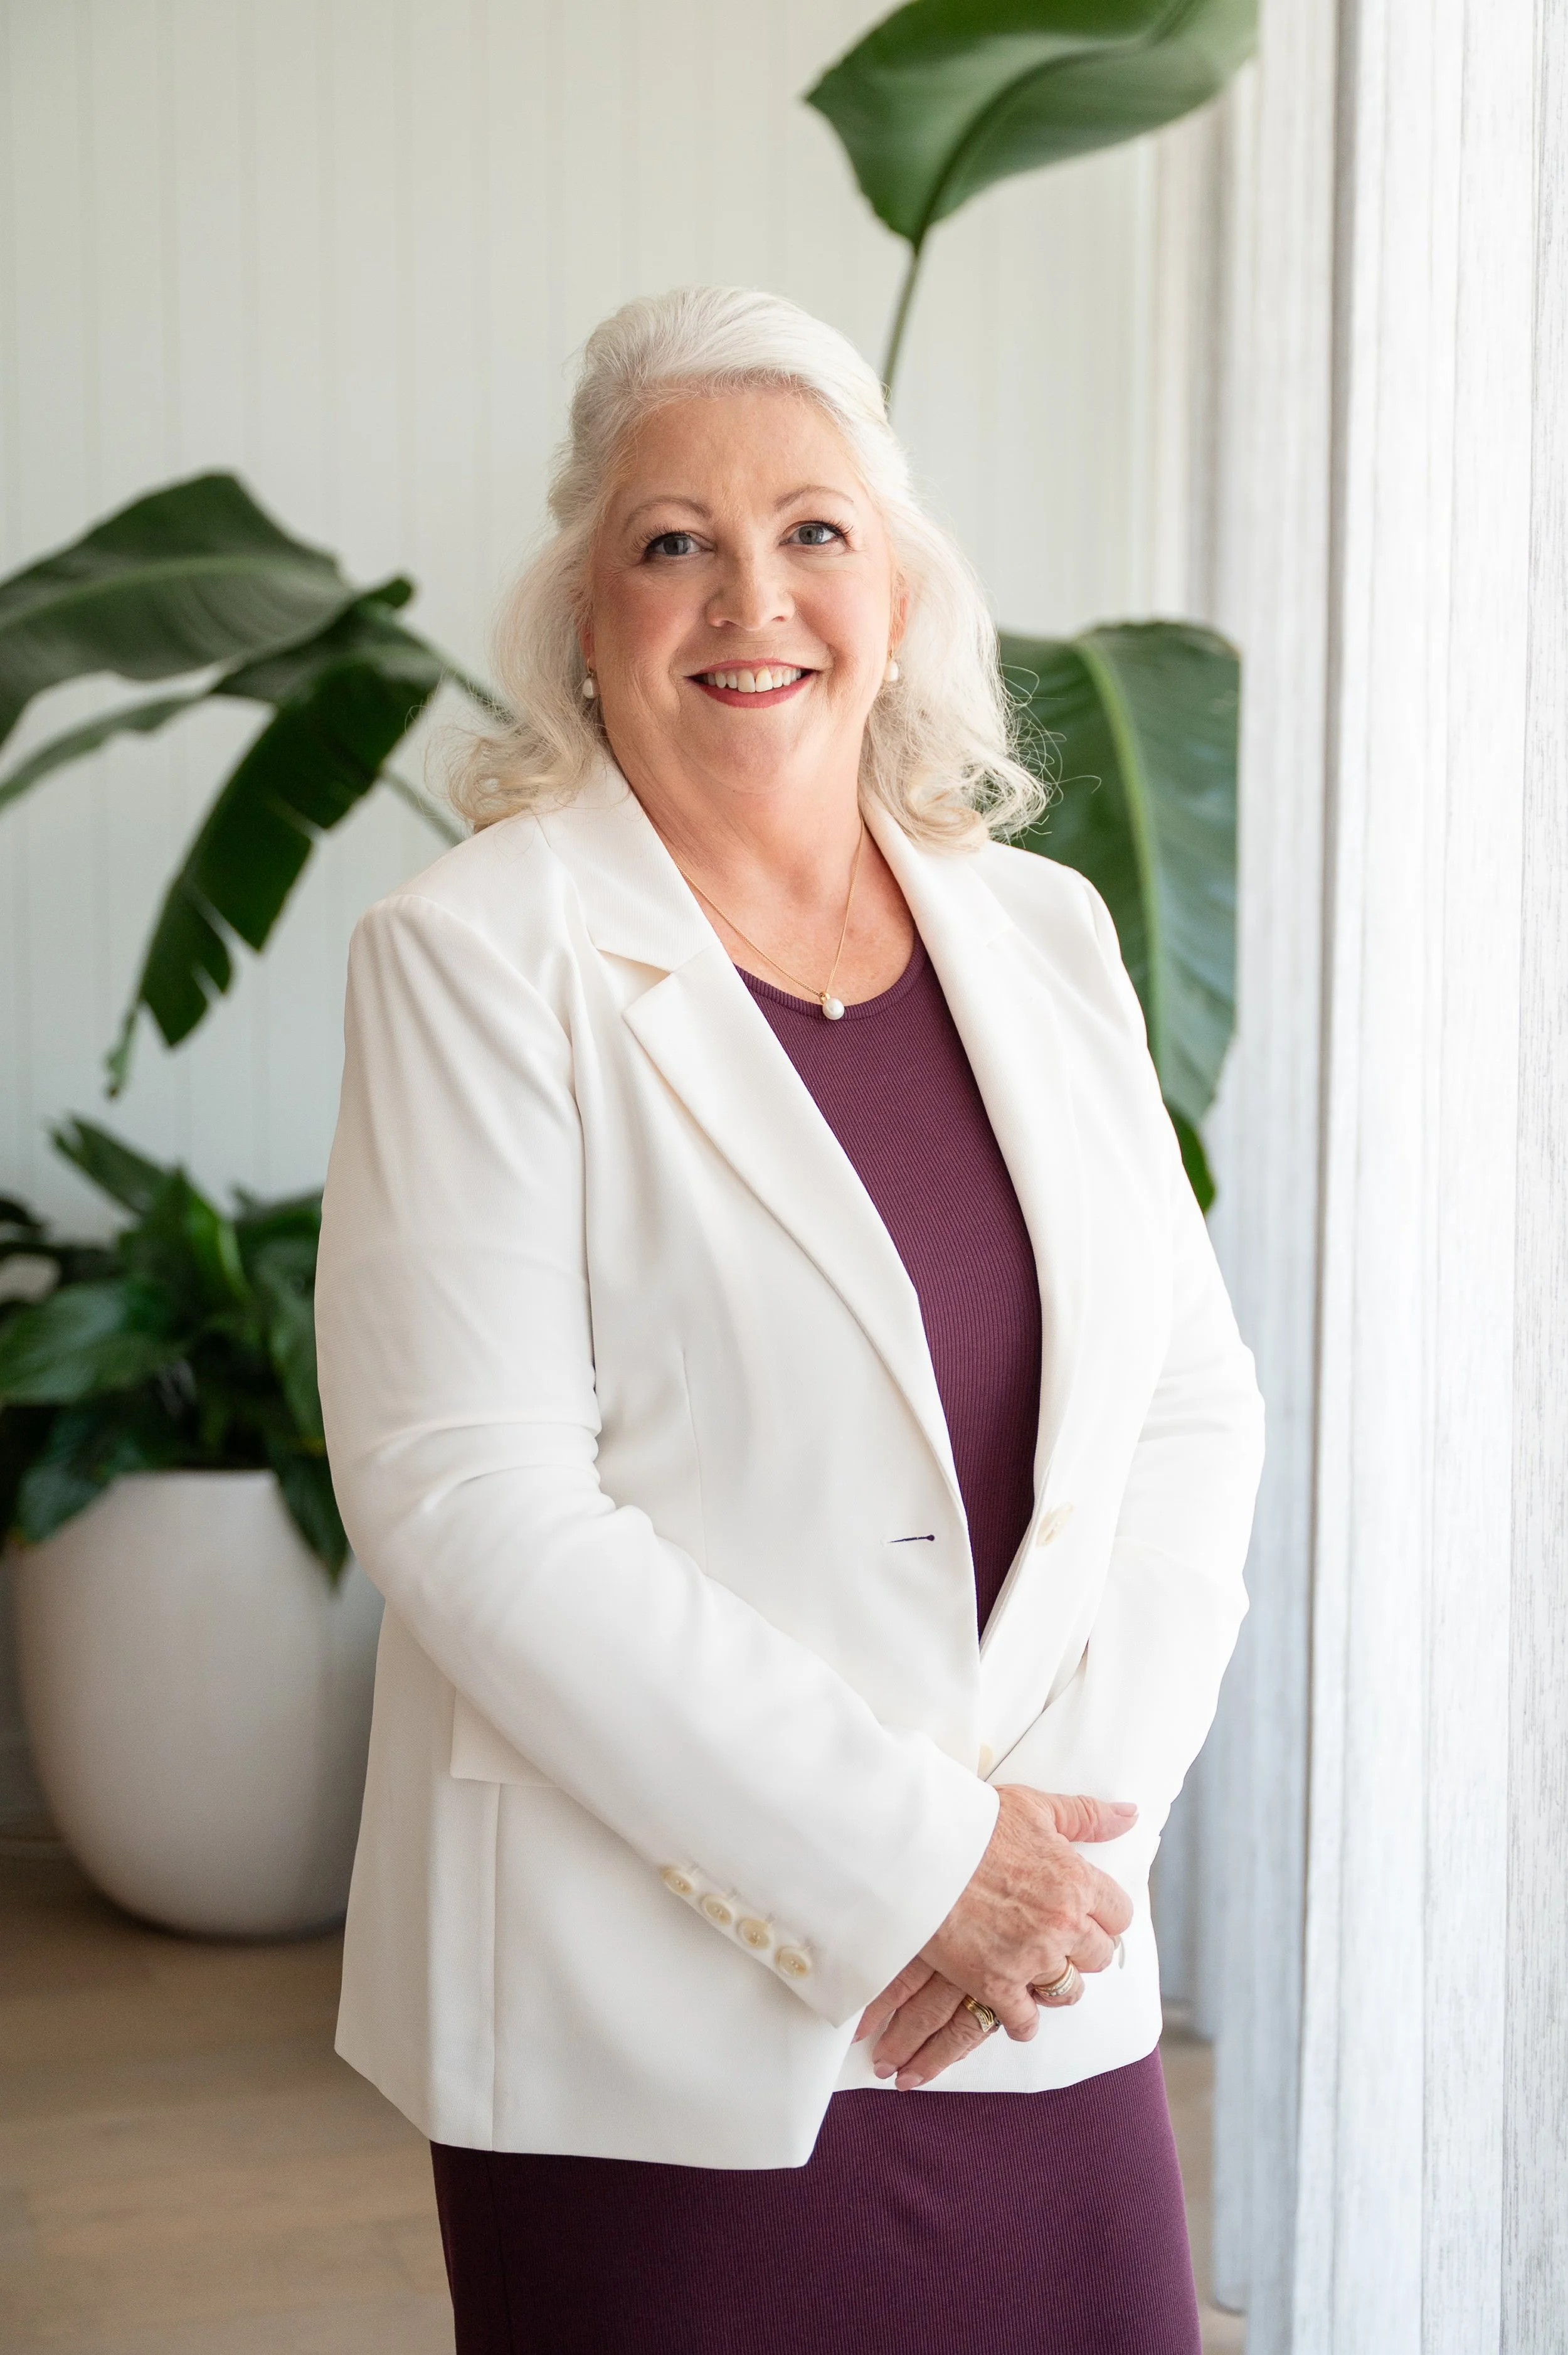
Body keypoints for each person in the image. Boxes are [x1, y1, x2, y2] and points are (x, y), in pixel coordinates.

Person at [315, 285, 1264, 2355]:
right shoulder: (474, 957)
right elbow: (470, 1504)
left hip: (1035, 1972)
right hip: (653, 2014)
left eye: (814, 530)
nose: (752, 599)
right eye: (675, 541)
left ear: (898, 595)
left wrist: (1048, 1861)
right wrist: (913, 1864)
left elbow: (1185, 1405)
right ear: (585, 614)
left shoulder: (1043, 931)